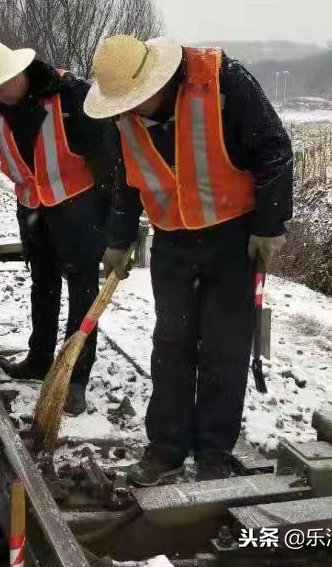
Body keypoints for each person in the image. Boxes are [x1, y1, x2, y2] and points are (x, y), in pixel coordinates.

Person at [84, 35, 293, 485]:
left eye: (139, 99)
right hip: (173, 241)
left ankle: (214, 452)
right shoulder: (124, 118)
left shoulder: (223, 83)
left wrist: (268, 226)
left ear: (160, 79)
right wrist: (117, 239)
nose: (133, 109)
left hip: (232, 239)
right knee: (172, 345)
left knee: (224, 348)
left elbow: (274, 150)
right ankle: (166, 450)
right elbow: (127, 181)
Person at [0, 41, 116, 415]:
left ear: (21, 72)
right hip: (33, 208)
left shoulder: (71, 96)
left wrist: (114, 215)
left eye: (2, 85)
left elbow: (108, 156)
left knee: (82, 288)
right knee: (44, 283)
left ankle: (74, 376)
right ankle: (39, 357)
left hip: (78, 207)